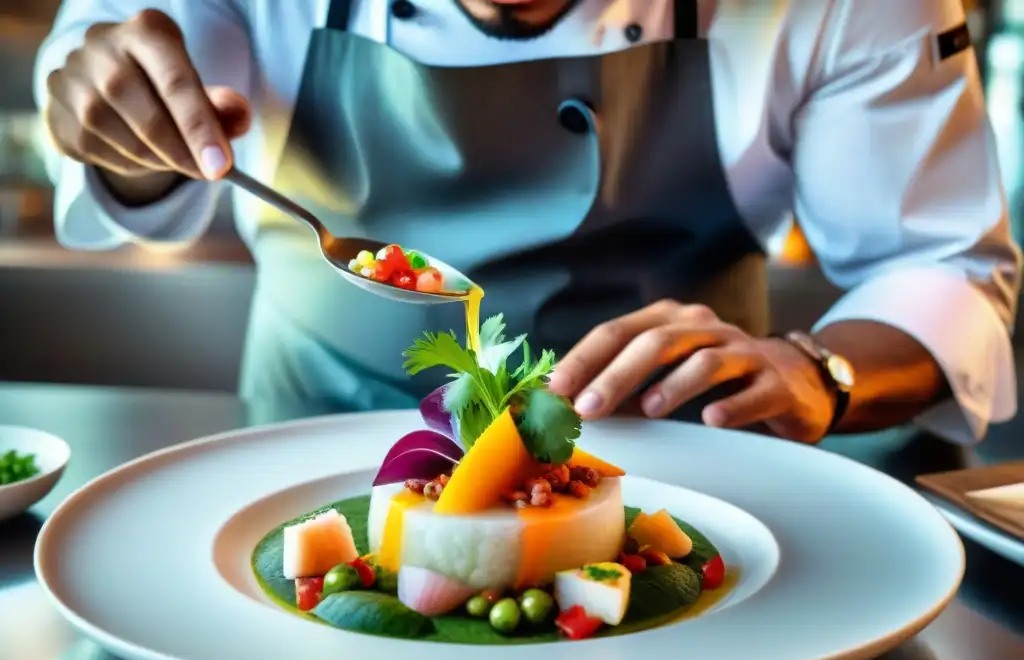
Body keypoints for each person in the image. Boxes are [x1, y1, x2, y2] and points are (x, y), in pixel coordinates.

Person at [34, 0, 1020, 444]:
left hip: (689, 489)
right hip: (296, 463)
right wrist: (112, 118)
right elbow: (128, 64)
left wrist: (818, 372)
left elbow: (941, 268)